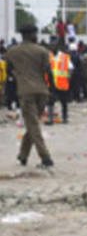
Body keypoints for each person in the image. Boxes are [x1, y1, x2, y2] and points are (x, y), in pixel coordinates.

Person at [5, 24, 54, 168]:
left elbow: (9, 72)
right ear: (31, 34)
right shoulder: (42, 51)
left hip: (25, 92)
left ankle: (46, 158)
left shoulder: (12, 52)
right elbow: (49, 73)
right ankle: (23, 155)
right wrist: (53, 90)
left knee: (32, 125)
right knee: (33, 124)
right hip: (42, 92)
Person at [47, 41, 72, 124]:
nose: (51, 49)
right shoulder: (48, 57)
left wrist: (68, 78)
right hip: (51, 84)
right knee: (50, 102)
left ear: (57, 48)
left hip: (62, 83)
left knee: (64, 102)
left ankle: (64, 118)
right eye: (50, 47)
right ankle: (50, 119)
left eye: (53, 47)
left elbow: (71, 68)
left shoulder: (64, 57)